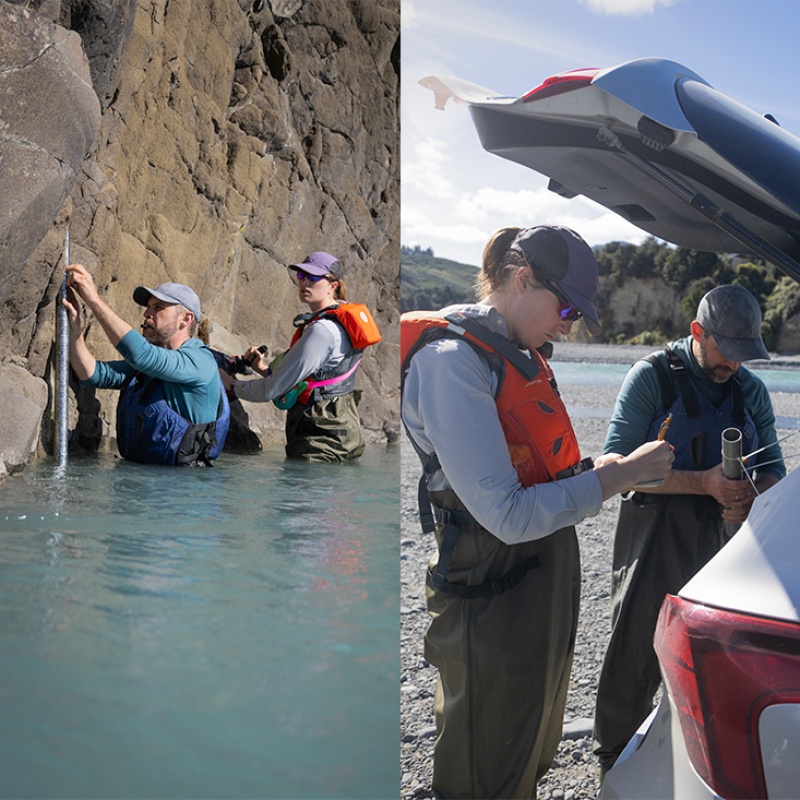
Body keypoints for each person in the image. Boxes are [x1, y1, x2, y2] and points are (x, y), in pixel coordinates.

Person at [400, 225, 674, 799]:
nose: (570, 324)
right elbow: (505, 512)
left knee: (527, 735)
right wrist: (616, 477)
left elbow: (534, 474)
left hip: (530, 582)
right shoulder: (453, 361)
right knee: (486, 755)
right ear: (522, 279)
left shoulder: (515, 352)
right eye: (568, 307)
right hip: (488, 588)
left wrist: (600, 468)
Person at [592, 284, 786, 774]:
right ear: (697, 332)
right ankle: (613, 762)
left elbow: (775, 472)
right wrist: (703, 483)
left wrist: (747, 493)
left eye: (746, 355)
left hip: (727, 546)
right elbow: (614, 467)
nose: (736, 366)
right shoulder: (650, 378)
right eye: (728, 352)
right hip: (654, 539)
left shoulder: (751, 391)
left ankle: (704, 763)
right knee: (633, 658)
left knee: (716, 661)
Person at [220, 251, 380, 462]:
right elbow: (316, 379)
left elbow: (272, 390)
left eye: (313, 277)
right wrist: (262, 368)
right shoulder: (340, 321)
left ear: (333, 286)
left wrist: (231, 385)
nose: (305, 282)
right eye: (301, 275)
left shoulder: (322, 331)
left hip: (319, 444)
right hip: (342, 437)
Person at [63, 265, 229, 465]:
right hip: (138, 484)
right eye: (148, 307)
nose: (146, 313)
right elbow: (92, 374)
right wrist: (75, 330)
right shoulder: (151, 366)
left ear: (185, 319)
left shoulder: (200, 362)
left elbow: (142, 355)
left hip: (183, 490)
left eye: (158, 308)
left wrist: (93, 300)